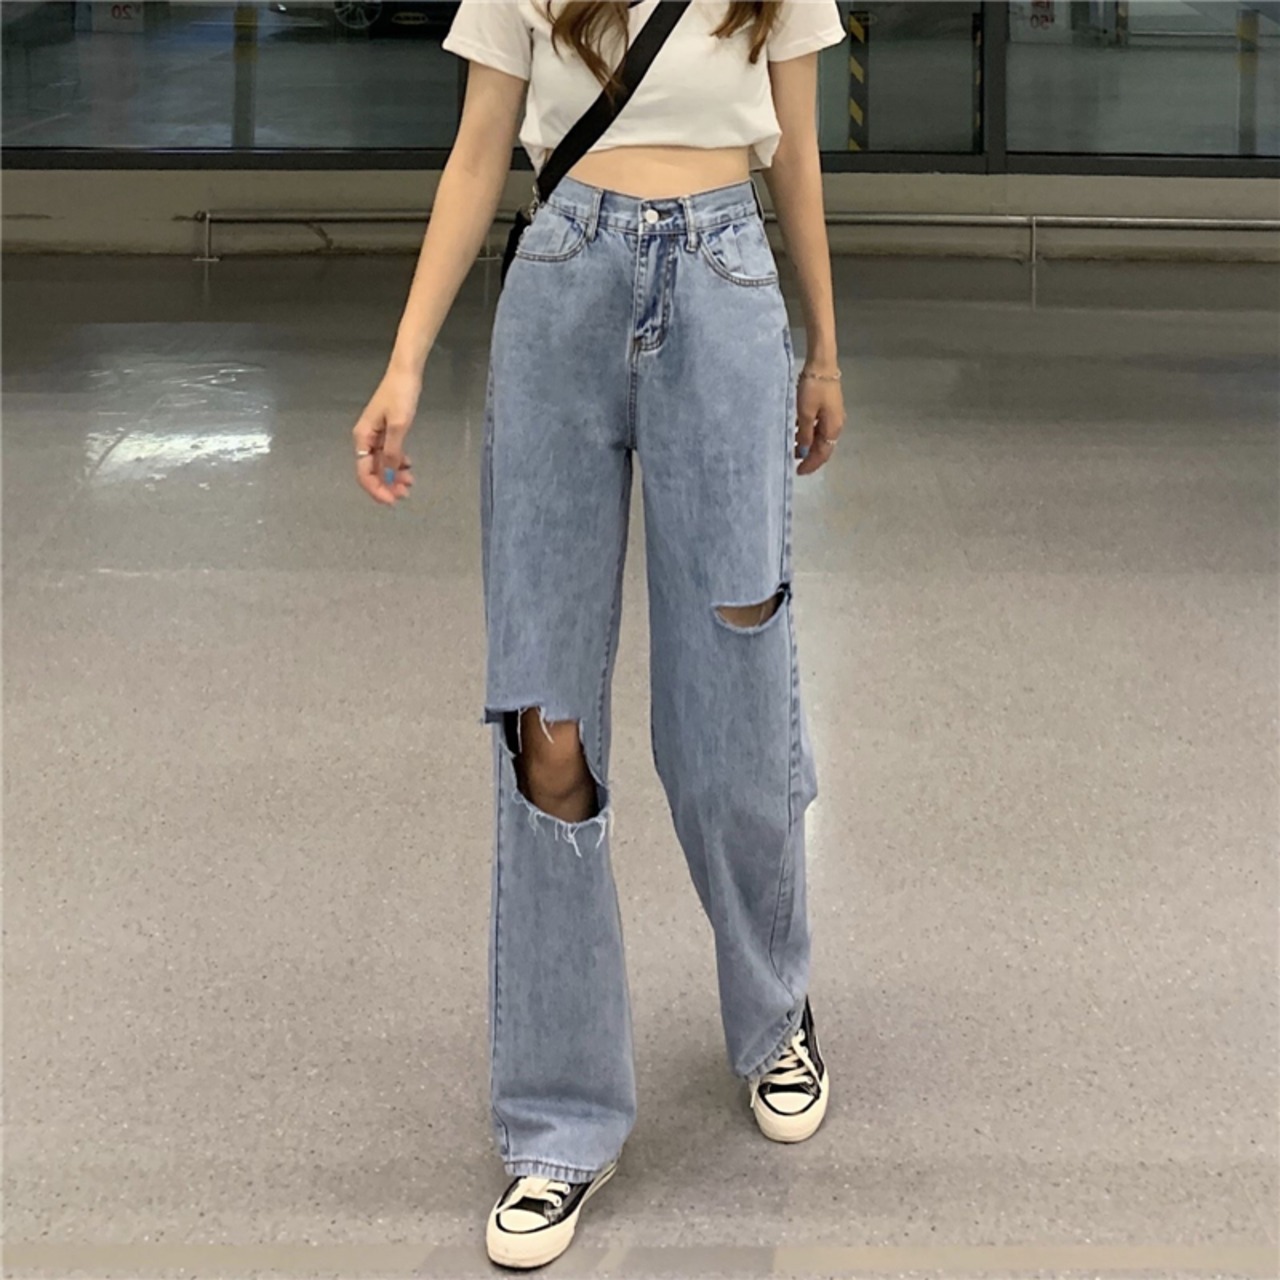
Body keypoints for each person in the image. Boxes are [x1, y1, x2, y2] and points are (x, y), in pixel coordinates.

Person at [352, 0, 847, 1267]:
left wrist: (824, 353)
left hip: (725, 288)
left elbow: (794, 148)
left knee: (733, 700)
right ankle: (559, 1118)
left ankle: (773, 1006)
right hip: (561, 289)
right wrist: (406, 359)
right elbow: (480, 147)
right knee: (545, 720)